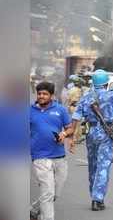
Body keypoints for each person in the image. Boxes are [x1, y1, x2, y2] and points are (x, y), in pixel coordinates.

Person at [71, 70, 113, 211]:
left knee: (92, 166)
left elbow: (76, 117)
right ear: (106, 83)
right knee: (103, 167)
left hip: (91, 133)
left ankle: (94, 194)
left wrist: (71, 136)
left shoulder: (85, 97)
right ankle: (97, 199)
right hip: (105, 133)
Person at [30, 82, 75, 220]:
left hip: (59, 157)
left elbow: (70, 128)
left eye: (45, 94)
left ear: (52, 96)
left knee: (55, 192)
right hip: (40, 156)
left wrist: (64, 135)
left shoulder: (60, 110)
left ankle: (34, 209)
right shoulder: (29, 111)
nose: (41, 96)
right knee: (48, 191)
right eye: (39, 94)